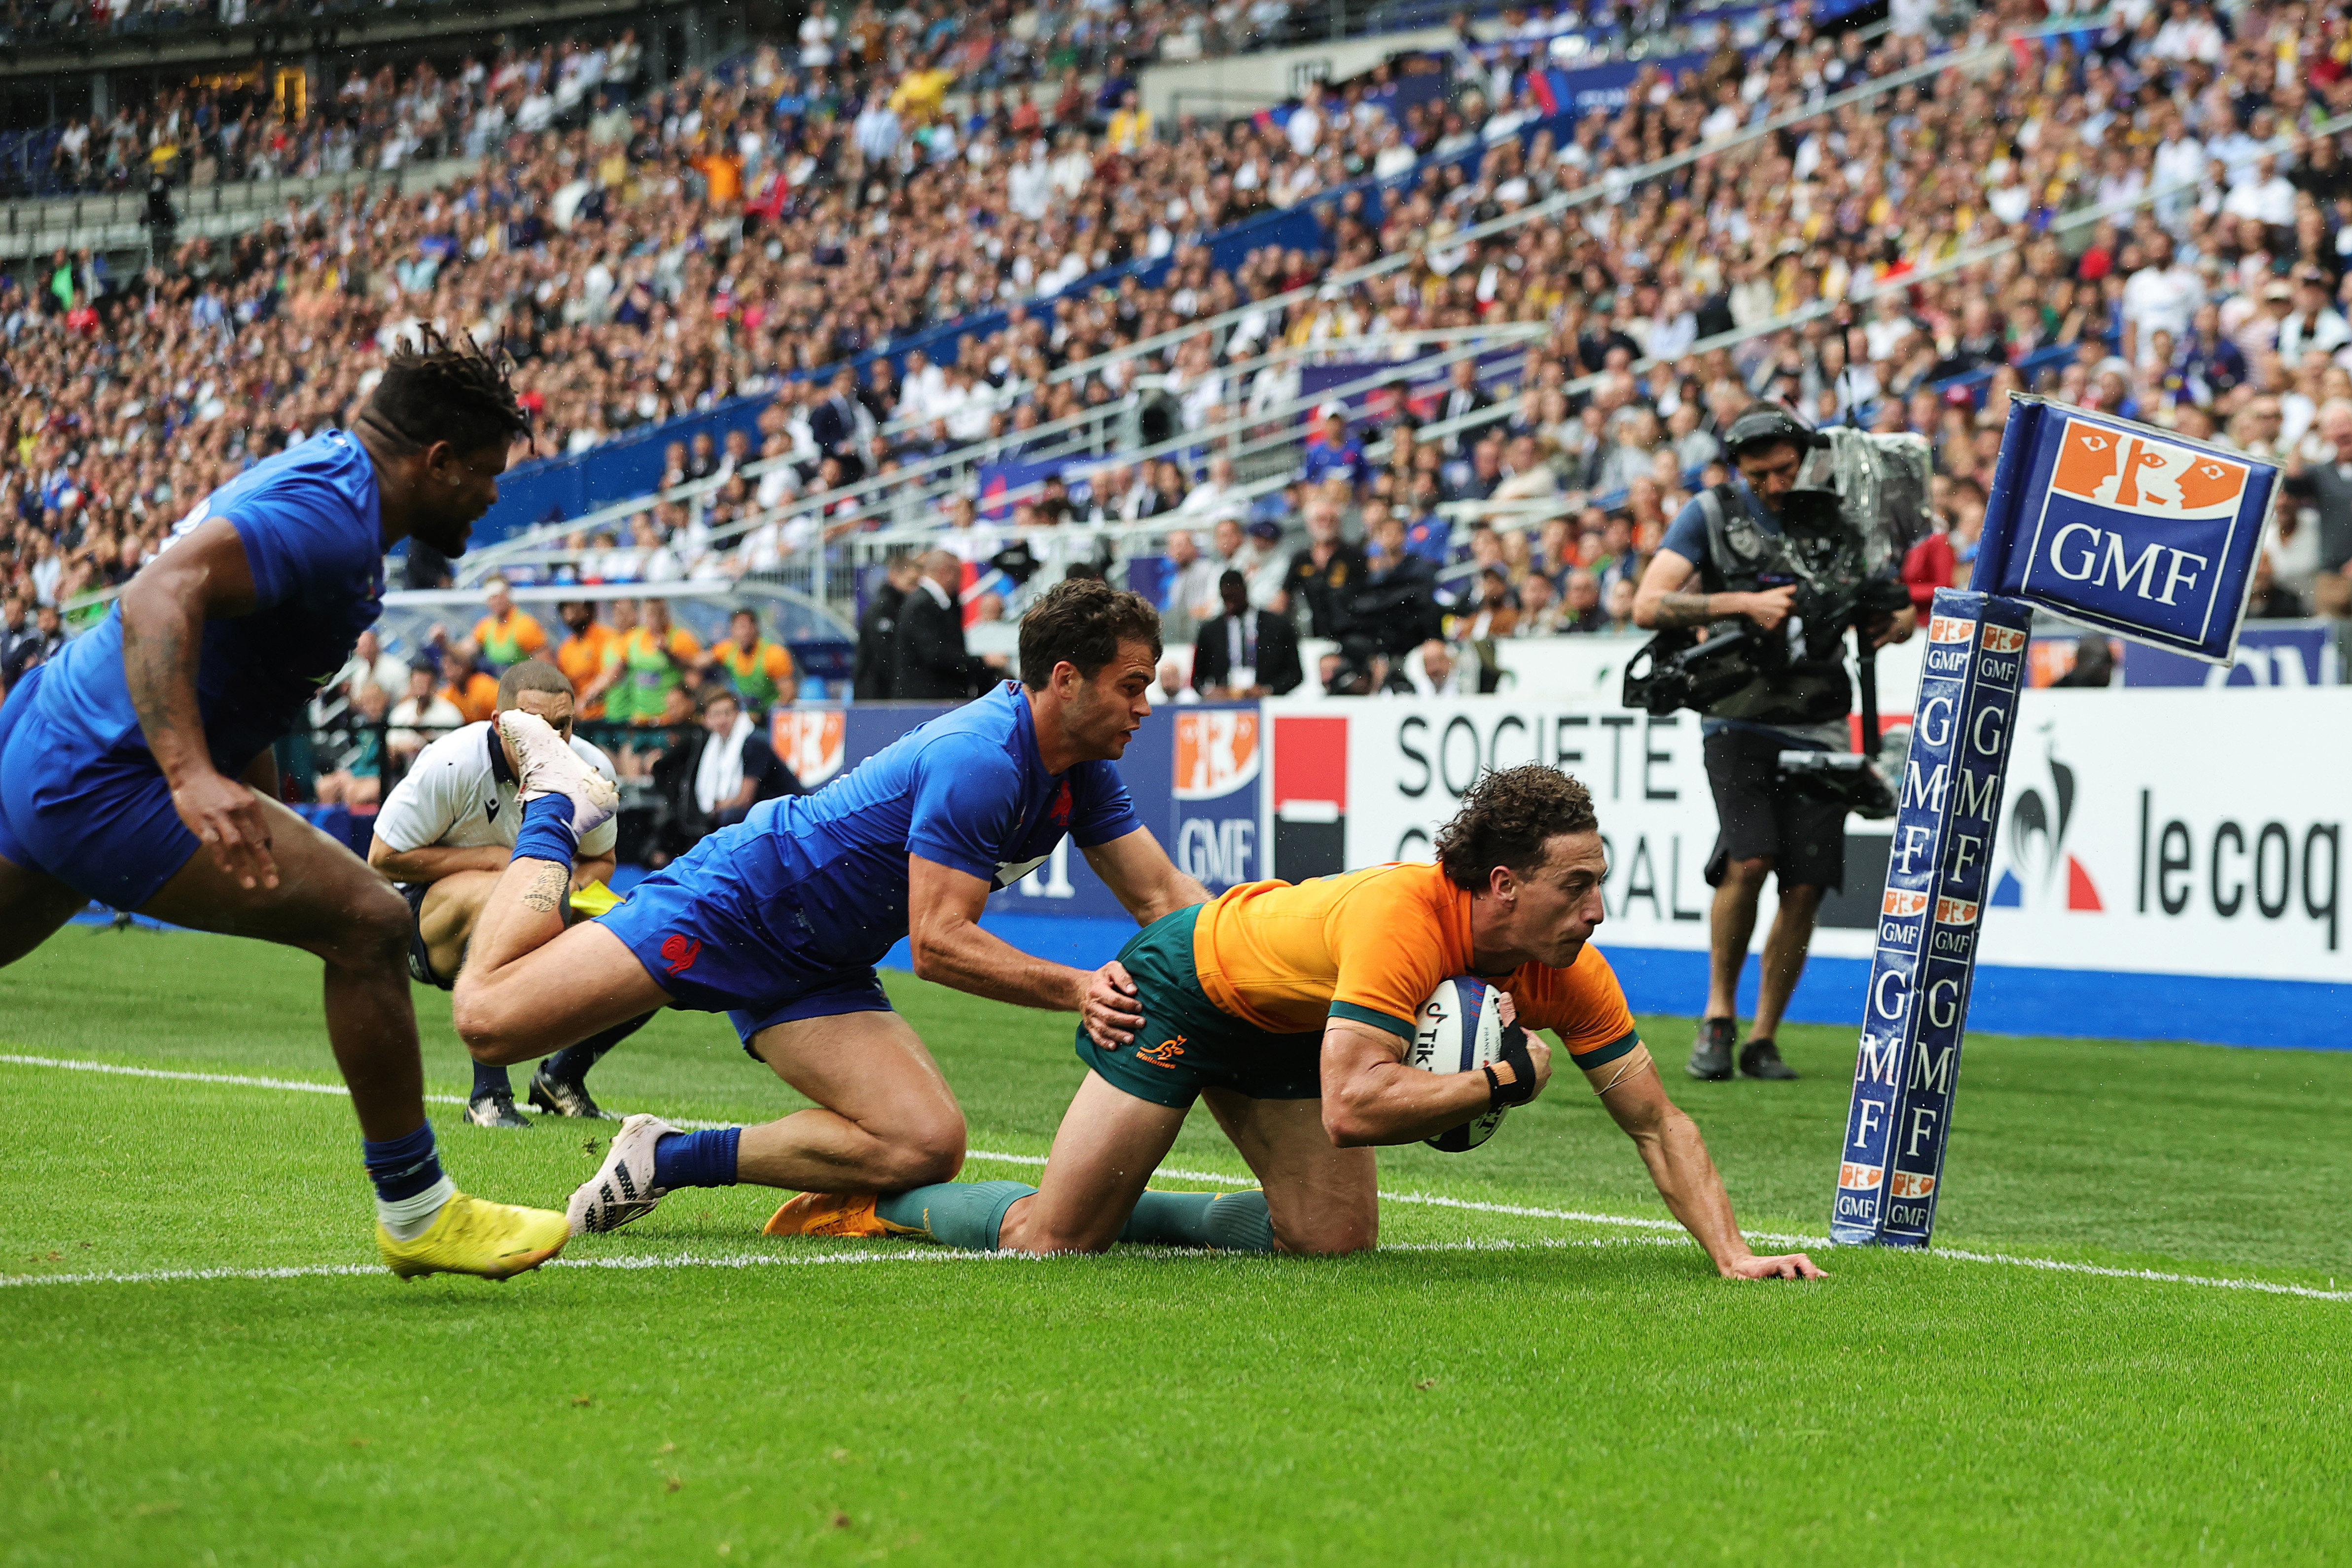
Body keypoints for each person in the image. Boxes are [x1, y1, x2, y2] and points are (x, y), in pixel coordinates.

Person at [0, 330, 569, 1280]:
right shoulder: (329, 519)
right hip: (107, 773)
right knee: (368, 927)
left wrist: (258, 797)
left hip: (58, 742)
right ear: (435, 462)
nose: (492, 494)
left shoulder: (334, 491)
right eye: (484, 473)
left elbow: (238, 653)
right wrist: (188, 774)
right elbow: (155, 599)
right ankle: (419, 1211)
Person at [768, 766, 1820, 1280]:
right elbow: (1356, 1106)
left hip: (1288, 1022)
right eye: (1579, 886)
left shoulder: (1568, 970)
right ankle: (884, 1202)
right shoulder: (1404, 919)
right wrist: (1500, 1082)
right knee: (1055, 1241)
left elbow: (1656, 1121)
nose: (1598, 910)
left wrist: (1731, 1254)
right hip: (1188, 984)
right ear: (1502, 886)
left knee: (1330, 1239)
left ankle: (1126, 1193)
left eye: (1601, 885)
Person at [447, 580, 1212, 1237]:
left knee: (925, 1145)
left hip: (821, 961)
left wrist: (1264, 943)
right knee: (491, 1022)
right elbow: (939, 943)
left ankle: (666, 1157)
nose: (1146, 706)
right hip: (738, 901)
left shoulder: (1080, 768)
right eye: (1133, 685)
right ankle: (554, 800)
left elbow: (1163, 897)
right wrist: (1078, 988)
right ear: (1068, 680)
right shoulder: (980, 758)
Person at [1631, 404, 1916, 1084]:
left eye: (1783, 470)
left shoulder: (1843, 516)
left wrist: (1893, 624)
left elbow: (1896, 607)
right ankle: (1717, 1018)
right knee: (1750, 859)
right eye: (1758, 474)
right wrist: (1738, 605)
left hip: (1819, 715)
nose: (1773, 484)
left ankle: (1763, 1038)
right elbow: (1648, 603)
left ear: (1804, 457)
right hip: (1735, 714)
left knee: (1807, 884)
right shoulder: (1708, 512)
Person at [370, 658, 648, 1126]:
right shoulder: (452, 761)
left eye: (563, 725)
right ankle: (488, 1097)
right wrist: (489, 862)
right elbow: (382, 857)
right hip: (429, 923)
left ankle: (562, 1077)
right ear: (500, 724)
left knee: (648, 935)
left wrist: (561, 889)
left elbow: (603, 863)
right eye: (536, 726)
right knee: (504, 891)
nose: (553, 740)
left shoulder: (590, 765)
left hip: (539, 902)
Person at [651, 686, 803, 858]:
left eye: (727, 713)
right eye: (716, 715)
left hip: (787, 811)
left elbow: (745, 798)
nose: (722, 720)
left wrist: (718, 807)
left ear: (738, 714)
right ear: (706, 720)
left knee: (728, 817)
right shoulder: (715, 744)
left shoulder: (754, 743)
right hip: (763, 809)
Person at [893, 549, 997, 700]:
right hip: (927, 699)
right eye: (960, 574)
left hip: (932, 697)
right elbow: (936, 654)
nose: (961, 580)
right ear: (945, 573)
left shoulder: (938, 603)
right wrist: (982, 662)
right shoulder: (922, 605)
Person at [1191, 570, 1303, 698]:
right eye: (1226, 598)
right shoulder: (1210, 631)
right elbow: (1197, 678)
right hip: (1225, 704)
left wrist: (1268, 690)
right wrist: (1210, 691)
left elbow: (1295, 674)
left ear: (1245, 591)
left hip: (1266, 703)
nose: (1230, 604)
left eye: (1234, 597)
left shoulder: (1277, 626)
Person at [607, 598, 703, 728]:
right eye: (650, 613)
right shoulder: (633, 638)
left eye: (658, 613)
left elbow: (694, 676)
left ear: (666, 614)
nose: (654, 619)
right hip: (640, 718)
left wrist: (669, 654)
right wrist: (593, 692)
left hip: (670, 720)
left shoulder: (681, 638)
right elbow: (615, 672)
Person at [707, 606, 796, 717]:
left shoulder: (773, 654)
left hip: (770, 714)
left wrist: (765, 716)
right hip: (745, 712)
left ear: (755, 629)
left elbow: (789, 693)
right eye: (739, 628)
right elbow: (698, 661)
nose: (744, 633)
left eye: (746, 627)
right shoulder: (728, 649)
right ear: (732, 631)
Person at [854, 554, 921, 701]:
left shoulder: (907, 608)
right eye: (911, 582)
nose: (914, 589)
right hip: (876, 694)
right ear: (893, 577)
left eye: (918, 584)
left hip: (890, 692)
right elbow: (882, 658)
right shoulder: (882, 610)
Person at [551, 599, 619, 721]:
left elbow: (611, 675)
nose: (570, 615)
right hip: (581, 717)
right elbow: (566, 684)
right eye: (565, 610)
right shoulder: (566, 648)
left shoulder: (606, 637)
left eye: (574, 608)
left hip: (607, 715)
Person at [471, 578, 548, 672]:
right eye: (492, 598)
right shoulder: (486, 625)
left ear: (508, 595)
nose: (496, 602)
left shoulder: (525, 625)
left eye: (499, 596)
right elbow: (466, 652)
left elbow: (546, 667)